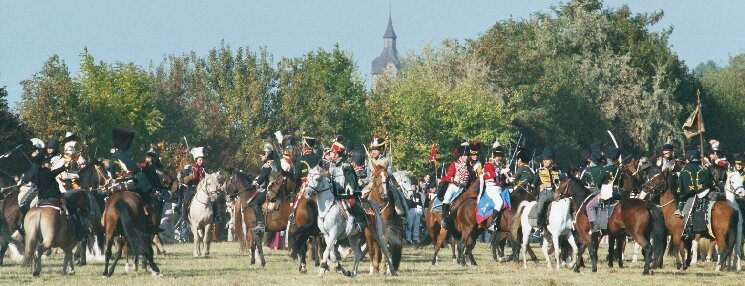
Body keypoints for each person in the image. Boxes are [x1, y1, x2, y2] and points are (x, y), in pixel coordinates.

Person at [326, 139, 368, 229]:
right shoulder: (331, 165)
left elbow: (352, 182)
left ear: (337, 154)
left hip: (346, 194)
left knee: (352, 203)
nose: (330, 154)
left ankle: (359, 222)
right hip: (334, 194)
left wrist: (349, 193)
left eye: (332, 153)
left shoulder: (346, 165)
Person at [532, 147, 566, 235]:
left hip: (556, 193)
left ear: (551, 160)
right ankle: (538, 227)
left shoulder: (558, 170)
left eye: (547, 160)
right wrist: (531, 186)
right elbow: (534, 183)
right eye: (544, 160)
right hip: (545, 192)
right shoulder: (539, 171)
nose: (545, 161)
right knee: (540, 207)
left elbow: (564, 179)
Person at [676, 149, 714, 221]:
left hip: (691, 196)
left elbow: (681, 189)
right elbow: (711, 183)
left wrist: (681, 199)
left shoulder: (684, 170)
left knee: (686, 212)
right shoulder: (704, 168)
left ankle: (688, 229)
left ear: (689, 158)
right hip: (706, 193)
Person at [249, 144, 279, 232]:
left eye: (262, 154)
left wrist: (255, 183)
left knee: (255, 204)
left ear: (267, 154)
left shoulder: (268, 164)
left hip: (270, 189)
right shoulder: (274, 163)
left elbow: (262, 178)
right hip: (275, 188)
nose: (261, 156)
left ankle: (261, 226)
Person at [581, 143, 610, 233]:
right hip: (607, 191)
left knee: (589, 206)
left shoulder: (588, 171)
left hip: (598, 192)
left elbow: (582, 184)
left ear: (591, 160)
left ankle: (595, 226)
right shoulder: (606, 168)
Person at [440, 141, 471, 227]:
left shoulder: (469, 167)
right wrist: (454, 179)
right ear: (461, 156)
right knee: (447, 199)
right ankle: (443, 218)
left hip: (463, 189)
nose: (467, 157)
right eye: (465, 155)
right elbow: (448, 177)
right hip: (454, 187)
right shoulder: (454, 164)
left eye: (467, 155)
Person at [482, 140, 509, 231]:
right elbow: (492, 175)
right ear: (493, 156)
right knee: (499, 202)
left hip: (499, 189)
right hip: (491, 189)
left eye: (501, 156)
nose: (499, 158)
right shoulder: (488, 165)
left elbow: (502, 181)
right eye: (498, 156)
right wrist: (501, 171)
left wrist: (508, 180)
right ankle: (492, 223)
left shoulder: (499, 166)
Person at [179, 146, 210, 223]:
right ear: (196, 159)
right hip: (191, 188)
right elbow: (183, 180)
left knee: (212, 199)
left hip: (202, 189)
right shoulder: (189, 168)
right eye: (200, 159)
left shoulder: (204, 169)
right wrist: (190, 177)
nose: (201, 161)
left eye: (202, 160)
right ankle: (184, 221)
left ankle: (216, 216)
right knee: (185, 202)